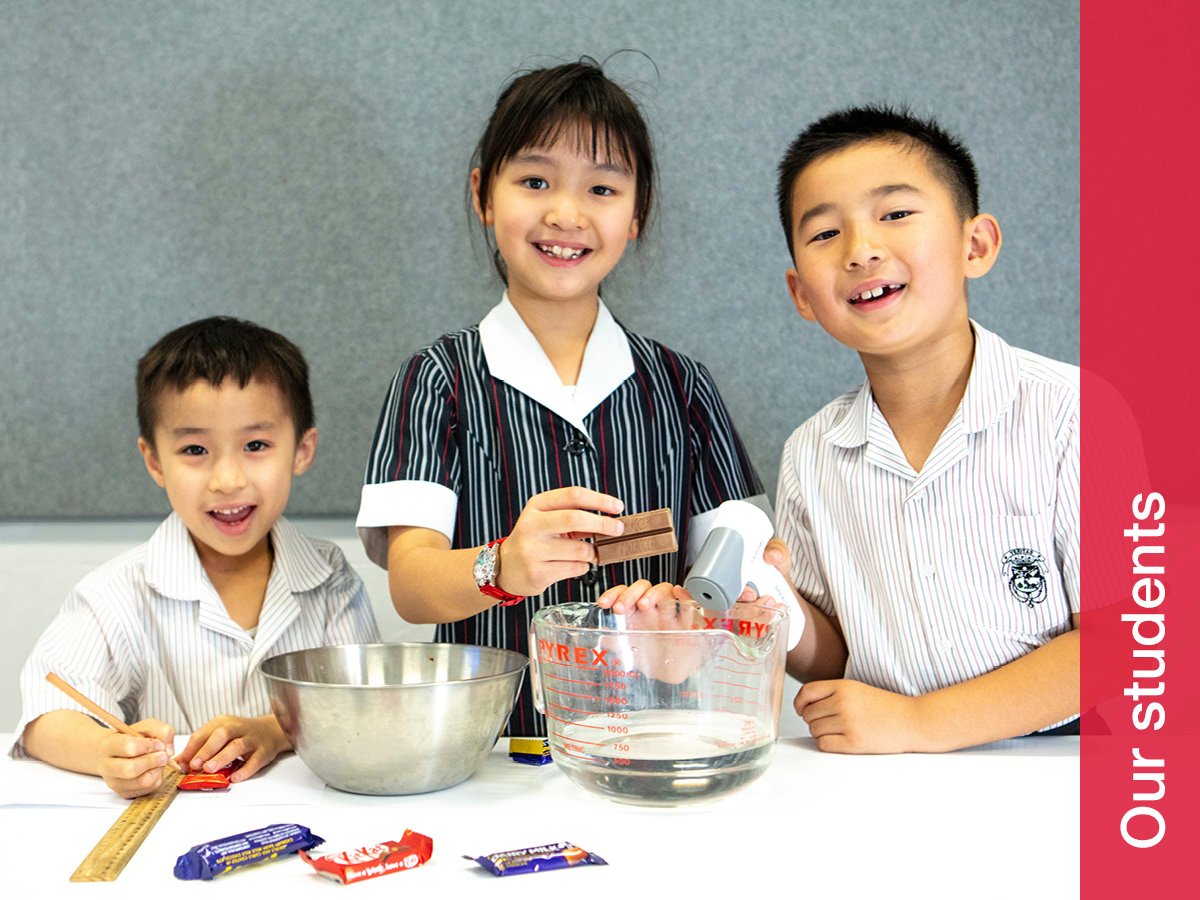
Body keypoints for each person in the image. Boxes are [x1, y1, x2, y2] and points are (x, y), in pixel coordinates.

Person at [357, 58, 763, 736]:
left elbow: (736, 569)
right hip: (491, 752)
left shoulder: (682, 385)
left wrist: (685, 619)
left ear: (637, 213)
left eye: (602, 188)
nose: (565, 214)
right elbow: (412, 586)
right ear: (484, 195)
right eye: (535, 180)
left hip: (653, 745)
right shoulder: (437, 379)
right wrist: (503, 565)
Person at [768, 104, 1079, 752]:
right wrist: (775, 606)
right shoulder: (811, 454)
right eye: (825, 232)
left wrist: (920, 722)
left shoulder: (1073, 413)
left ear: (976, 245)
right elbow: (840, 653)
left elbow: (1133, 636)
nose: (861, 250)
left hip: (1064, 765)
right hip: (893, 772)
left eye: (895, 214)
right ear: (801, 294)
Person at [12, 317, 380, 796]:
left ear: (301, 450)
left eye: (255, 445)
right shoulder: (117, 593)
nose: (227, 480)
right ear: (154, 461)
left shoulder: (331, 578)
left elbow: (367, 708)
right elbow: (45, 716)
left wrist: (275, 731)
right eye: (194, 449)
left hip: (309, 818)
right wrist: (105, 751)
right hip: (171, 825)